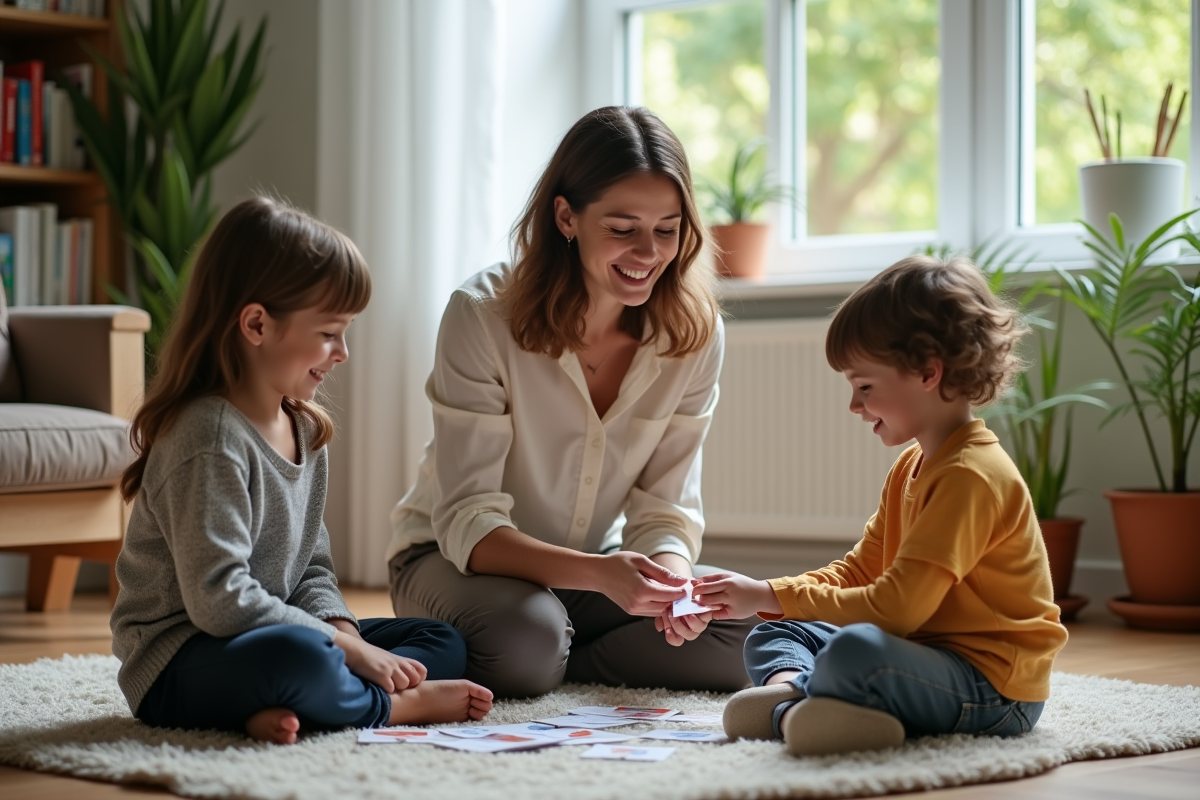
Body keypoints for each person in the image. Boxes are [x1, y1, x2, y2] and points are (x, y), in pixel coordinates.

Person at [387, 106, 756, 697]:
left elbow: (665, 512)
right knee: (526, 639)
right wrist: (600, 576)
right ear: (566, 216)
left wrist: (676, 590)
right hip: (451, 559)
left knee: (747, 630)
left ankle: (562, 655)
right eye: (621, 227)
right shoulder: (482, 316)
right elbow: (468, 522)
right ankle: (549, 647)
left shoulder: (694, 332)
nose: (648, 253)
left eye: (667, 229)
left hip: (593, 575)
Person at [110, 196, 493, 745]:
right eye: (329, 332)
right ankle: (391, 709)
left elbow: (312, 565)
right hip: (180, 659)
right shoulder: (209, 438)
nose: (342, 353)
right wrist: (347, 649)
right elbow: (219, 600)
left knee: (441, 640)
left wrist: (342, 632)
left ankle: (297, 704)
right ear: (258, 324)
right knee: (303, 657)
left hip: (276, 636)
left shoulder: (306, 431)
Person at [693, 256, 1068, 757]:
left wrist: (774, 594)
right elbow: (858, 571)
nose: (853, 405)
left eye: (864, 387)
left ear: (928, 373)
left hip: (996, 690)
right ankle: (806, 703)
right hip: (922, 655)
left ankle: (797, 707)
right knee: (776, 630)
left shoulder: (970, 476)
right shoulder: (912, 464)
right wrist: (765, 593)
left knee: (857, 650)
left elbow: (894, 610)